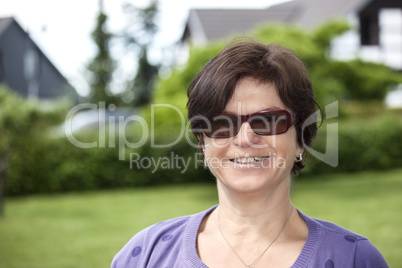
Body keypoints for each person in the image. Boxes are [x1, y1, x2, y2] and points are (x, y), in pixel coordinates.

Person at [111, 38, 388, 268]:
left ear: (301, 138)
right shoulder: (145, 255)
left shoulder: (353, 259)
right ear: (202, 141)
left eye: (268, 120)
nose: (245, 139)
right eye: (222, 123)